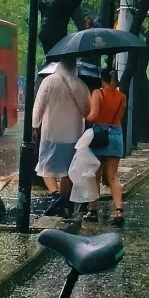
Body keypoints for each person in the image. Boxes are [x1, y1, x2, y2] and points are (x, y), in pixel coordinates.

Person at [32, 56, 90, 216]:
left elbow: (39, 105)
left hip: (51, 133)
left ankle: (55, 195)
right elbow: (87, 110)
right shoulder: (81, 85)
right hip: (73, 134)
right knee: (67, 170)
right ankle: (63, 201)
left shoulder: (49, 81)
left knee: (45, 167)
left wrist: (35, 125)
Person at [87, 65, 127, 225]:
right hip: (116, 135)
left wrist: (85, 113)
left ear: (103, 80)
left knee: (95, 175)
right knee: (112, 176)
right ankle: (118, 211)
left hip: (99, 136)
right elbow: (119, 117)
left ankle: (93, 211)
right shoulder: (122, 97)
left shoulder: (98, 93)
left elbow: (94, 116)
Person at [68, 127, 101, 224]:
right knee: (111, 176)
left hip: (96, 134)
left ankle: (92, 209)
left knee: (91, 174)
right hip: (115, 132)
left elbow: (93, 117)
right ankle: (118, 209)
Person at [76, 16, 102, 94]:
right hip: (95, 70)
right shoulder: (98, 36)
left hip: (86, 69)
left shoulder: (85, 35)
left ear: (87, 24)